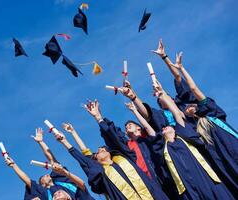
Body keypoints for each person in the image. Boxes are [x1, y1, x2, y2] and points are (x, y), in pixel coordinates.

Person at [54, 100, 169, 200]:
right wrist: (65, 142)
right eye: (98, 152)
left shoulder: (125, 157)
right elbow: (85, 160)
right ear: (96, 161)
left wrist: (98, 118)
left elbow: (114, 137)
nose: (100, 149)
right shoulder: (101, 175)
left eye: (103, 149)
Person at [148, 80, 235, 200]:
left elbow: (188, 97)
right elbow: (153, 126)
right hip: (199, 153)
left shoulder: (210, 116)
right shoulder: (171, 136)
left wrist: (163, 93)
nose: (190, 108)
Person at [170, 53, 238, 196]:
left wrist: (181, 68)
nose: (188, 107)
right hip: (222, 161)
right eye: (185, 108)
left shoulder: (212, 112)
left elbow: (193, 88)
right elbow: (174, 109)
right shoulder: (196, 130)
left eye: (190, 105)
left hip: (233, 147)